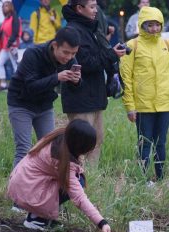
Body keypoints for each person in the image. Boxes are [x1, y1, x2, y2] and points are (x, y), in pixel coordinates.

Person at [7, 119, 115, 232]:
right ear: (80, 146)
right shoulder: (61, 159)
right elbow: (79, 198)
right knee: (79, 182)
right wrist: (102, 223)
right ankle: (35, 219)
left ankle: (40, 216)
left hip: (22, 183)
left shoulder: (60, 137)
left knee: (78, 179)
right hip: (27, 190)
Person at [120, 6, 169, 183]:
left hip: (164, 104)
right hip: (143, 105)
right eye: (150, 25)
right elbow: (126, 78)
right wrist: (130, 106)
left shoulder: (167, 45)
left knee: (161, 143)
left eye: (157, 25)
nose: (154, 29)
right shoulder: (132, 46)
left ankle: (160, 179)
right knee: (144, 143)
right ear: (142, 25)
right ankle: (142, 179)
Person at [61, 0, 125, 165]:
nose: (96, 10)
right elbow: (86, 64)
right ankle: (76, 182)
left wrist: (110, 53)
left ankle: (91, 182)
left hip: (94, 96)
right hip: (80, 99)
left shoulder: (90, 28)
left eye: (96, 6)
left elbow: (96, 59)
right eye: (92, 7)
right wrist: (112, 55)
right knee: (81, 145)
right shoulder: (72, 31)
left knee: (96, 140)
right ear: (79, 8)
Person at [7, 27, 81, 168]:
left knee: (49, 148)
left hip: (44, 105)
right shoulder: (33, 54)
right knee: (24, 149)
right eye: (65, 52)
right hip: (21, 102)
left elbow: (73, 87)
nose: (69, 57)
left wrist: (76, 81)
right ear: (54, 45)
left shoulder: (70, 58)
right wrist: (56, 77)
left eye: (73, 53)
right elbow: (31, 86)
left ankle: (42, 184)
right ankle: (15, 187)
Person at [0, 0, 22, 91]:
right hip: (5, 46)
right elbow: (3, 33)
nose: (4, 7)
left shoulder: (15, 17)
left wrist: (10, 43)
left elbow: (15, 32)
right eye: (3, 6)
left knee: (15, 65)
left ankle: (19, 85)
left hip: (12, 45)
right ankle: (3, 84)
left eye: (6, 5)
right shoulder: (5, 19)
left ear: (11, 7)